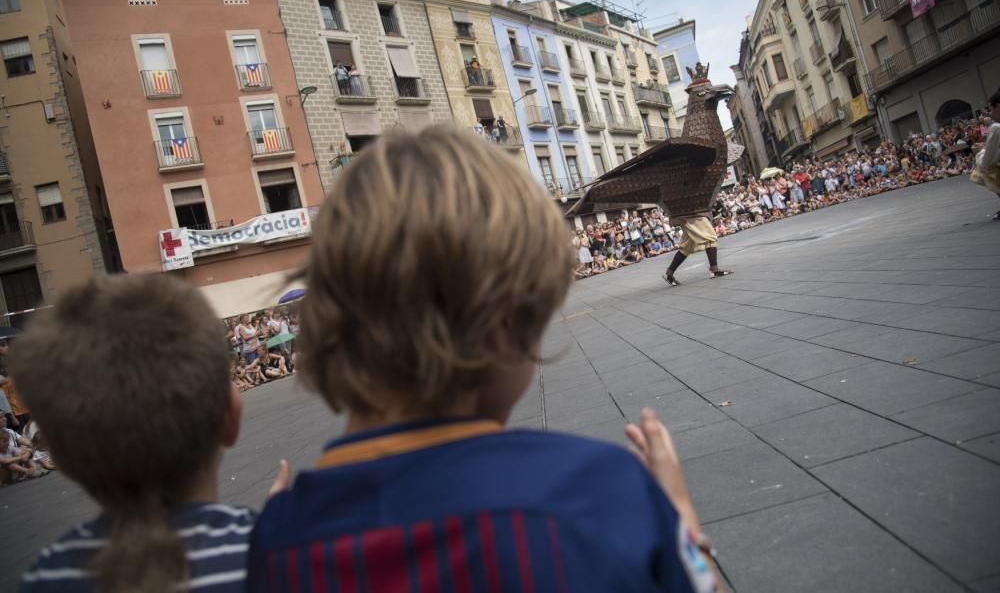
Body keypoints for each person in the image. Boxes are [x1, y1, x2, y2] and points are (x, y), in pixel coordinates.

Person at [247, 125, 719, 592]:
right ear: (507, 321)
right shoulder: (594, 493)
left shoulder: (277, 544)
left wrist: (281, 531)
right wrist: (678, 519)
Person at [10, 274, 289, 592]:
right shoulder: (275, 558)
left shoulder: (44, 577)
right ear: (231, 415)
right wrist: (270, 532)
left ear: (60, 454)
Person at [970, 87, 1000, 220]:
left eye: (991, 109)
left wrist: (981, 151)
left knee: (982, 171)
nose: (991, 113)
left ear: (998, 106)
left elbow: (988, 160)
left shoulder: (996, 127)